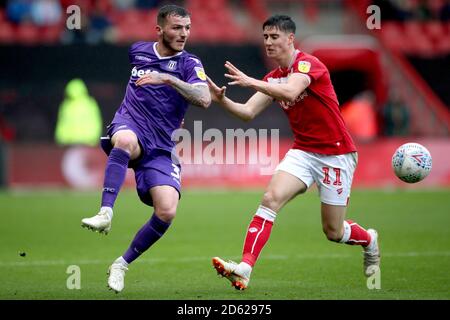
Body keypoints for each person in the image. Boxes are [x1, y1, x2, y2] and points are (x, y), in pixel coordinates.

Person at [207, 15, 380, 290]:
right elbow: (247, 113)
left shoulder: (308, 64)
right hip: (303, 152)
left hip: (335, 153)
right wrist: (222, 100)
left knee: (333, 232)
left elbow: (289, 92)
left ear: (290, 39)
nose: (268, 42)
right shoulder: (273, 78)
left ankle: (369, 240)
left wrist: (252, 81)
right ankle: (245, 268)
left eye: (274, 37)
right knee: (269, 199)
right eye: (265, 37)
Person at [81, 4, 211, 293]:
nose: (184, 33)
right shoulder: (138, 51)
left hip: (162, 145)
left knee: (166, 211)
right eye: (177, 27)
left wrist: (167, 78)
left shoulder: (190, 63)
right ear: (160, 29)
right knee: (124, 141)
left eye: (187, 28)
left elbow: (203, 99)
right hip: (132, 126)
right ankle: (105, 213)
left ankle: (121, 264)